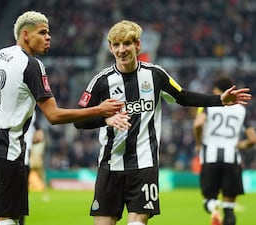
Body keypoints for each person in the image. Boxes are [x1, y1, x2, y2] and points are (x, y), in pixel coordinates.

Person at [0, 11, 129, 225]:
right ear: (26, 35)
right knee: (7, 220)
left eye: (49, 33)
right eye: (43, 32)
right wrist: (99, 110)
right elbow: (54, 115)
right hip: (4, 150)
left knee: (5, 217)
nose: (49, 37)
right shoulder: (31, 65)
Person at [73, 20, 252, 225]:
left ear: (137, 45)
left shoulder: (155, 75)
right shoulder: (101, 81)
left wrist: (219, 100)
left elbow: (183, 97)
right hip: (110, 164)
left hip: (145, 165)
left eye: (127, 44)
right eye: (116, 45)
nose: (122, 50)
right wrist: (106, 118)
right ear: (110, 48)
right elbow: (79, 120)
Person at [193, 75, 256, 225]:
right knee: (229, 207)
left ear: (217, 90)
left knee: (209, 199)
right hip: (232, 158)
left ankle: (213, 209)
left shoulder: (209, 105)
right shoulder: (241, 110)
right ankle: (223, 211)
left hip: (210, 157)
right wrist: (240, 145)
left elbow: (198, 124)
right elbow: (253, 139)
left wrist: (198, 143)